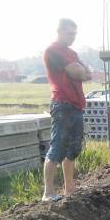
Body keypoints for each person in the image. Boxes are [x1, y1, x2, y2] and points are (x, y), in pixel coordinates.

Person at [41, 19, 91, 202]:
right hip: (62, 104)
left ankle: (69, 188)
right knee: (57, 148)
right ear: (59, 31)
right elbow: (78, 73)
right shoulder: (52, 51)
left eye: (75, 34)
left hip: (77, 105)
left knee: (73, 148)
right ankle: (48, 193)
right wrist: (79, 70)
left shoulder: (72, 53)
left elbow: (87, 73)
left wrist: (80, 70)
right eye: (70, 34)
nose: (73, 38)